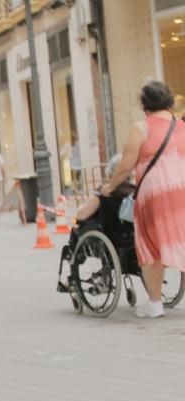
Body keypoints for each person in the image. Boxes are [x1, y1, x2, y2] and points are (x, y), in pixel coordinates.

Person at [100, 80, 185, 319]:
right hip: (182, 192)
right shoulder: (181, 126)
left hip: (155, 196)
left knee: (151, 246)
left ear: (144, 103)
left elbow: (125, 166)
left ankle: (155, 303)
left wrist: (111, 186)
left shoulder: (142, 128)